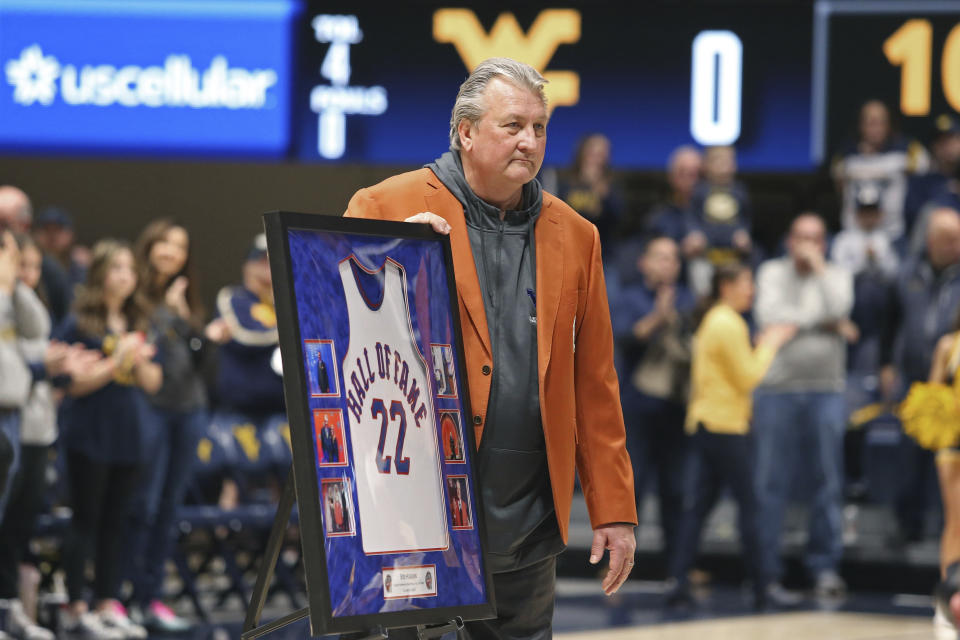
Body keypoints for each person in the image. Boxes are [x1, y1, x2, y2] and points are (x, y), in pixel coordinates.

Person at [343, 57, 637, 639]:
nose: (530, 141)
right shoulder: (387, 206)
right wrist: (389, 256)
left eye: (540, 127)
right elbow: (324, 320)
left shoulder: (578, 235)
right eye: (513, 126)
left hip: (524, 517)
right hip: (406, 510)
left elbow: (595, 381)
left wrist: (614, 508)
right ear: (466, 132)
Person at [668, 263, 795, 609]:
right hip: (725, 427)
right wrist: (770, 344)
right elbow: (748, 377)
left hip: (708, 423)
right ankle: (762, 586)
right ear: (726, 286)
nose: (750, 290)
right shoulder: (728, 323)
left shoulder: (716, 320)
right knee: (750, 507)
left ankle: (678, 582)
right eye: (745, 282)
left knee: (699, 508)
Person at [54, 240, 162, 639]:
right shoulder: (78, 323)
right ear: (100, 274)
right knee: (86, 521)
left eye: (130, 269)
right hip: (90, 435)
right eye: (117, 268)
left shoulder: (136, 323)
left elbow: (154, 382)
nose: (125, 276)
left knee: (116, 524)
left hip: (128, 435)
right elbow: (71, 384)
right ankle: (75, 606)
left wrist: (140, 361)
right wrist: (115, 363)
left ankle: (106, 603)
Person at [753, 213, 854, 599]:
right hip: (775, 391)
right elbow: (769, 317)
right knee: (769, 484)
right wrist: (829, 323)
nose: (808, 245)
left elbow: (840, 306)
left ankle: (825, 568)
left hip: (826, 390)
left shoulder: (837, 274)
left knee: (827, 482)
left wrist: (819, 274)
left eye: (815, 238)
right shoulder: (770, 273)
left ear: (824, 243)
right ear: (789, 240)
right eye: (801, 238)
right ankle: (767, 573)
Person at [123, 220, 208, 633]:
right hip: (148, 408)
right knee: (144, 504)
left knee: (169, 508)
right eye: (165, 243)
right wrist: (166, 315)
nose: (172, 252)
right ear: (150, 245)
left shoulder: (183, 297)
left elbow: (198, 359)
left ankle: (150, 597)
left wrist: (186, 318)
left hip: (188, 409)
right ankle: (124, 597)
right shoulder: (132, 294)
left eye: (181, 245)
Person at [608, 235, 694, 579]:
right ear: (644, 262)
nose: (667, 264)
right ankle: (619, 566)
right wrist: (659, 317)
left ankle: (679, 569)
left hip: (676, 409)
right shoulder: (629, 298)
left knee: (676, 491)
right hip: (638, 409)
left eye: (673, 258)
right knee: (635, 488)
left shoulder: (688, 300)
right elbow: (625, 336)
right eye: (659, 257)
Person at [881, 207, 960, 544]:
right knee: (909, 456)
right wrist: (886, 364)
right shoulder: (906, 273)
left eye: (958, 239)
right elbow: (889, 322)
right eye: (948, 239)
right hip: (916, 380)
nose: (956, 245)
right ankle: (906, 526)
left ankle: (951, 527)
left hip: (956, 384)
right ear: (929, 241)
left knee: (951, 462)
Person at [833, 100, 930, 240]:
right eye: (871, 123)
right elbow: (839, 187)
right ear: (861, 125)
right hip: (852, 235)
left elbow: (925, 175)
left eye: (881, 122)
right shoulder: (845, 154)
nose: (876, 128)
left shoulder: (907, 150)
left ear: (889, 125)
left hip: (893, 235)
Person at [0, 187, 72, 327]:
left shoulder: (50, 272)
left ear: (25, 224)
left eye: (3, 223)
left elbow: (45, 332)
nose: (28, 273)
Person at [556, 133, 625, 249]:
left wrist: (603, 194)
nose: (597, 159)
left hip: (601, 250)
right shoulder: (566, 183)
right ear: (582, 153)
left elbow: (618, 219)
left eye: (602, 154)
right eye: (593, 153)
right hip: (569, 247)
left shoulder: (611, 186)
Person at [646, 146, 703, 250]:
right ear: (671, 176)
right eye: (683, 173)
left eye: (696, 174)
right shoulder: (658, 218)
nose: (690, 180)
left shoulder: (716, 214)